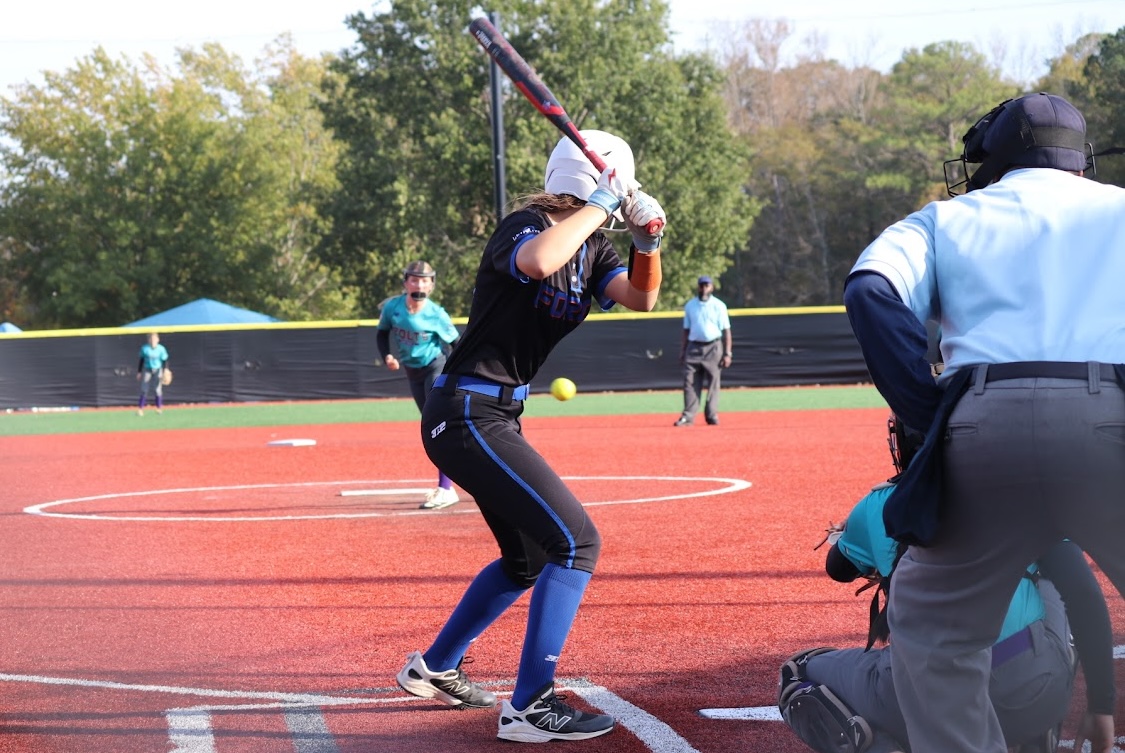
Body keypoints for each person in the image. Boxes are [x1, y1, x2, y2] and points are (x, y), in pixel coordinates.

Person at [841, 91, 1125, 753]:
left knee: (933, 633)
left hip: (981, 422)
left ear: (992, 160)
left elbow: (869, 288)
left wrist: (926, 408)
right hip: (1111, 417)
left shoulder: (947, 217)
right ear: (1078, 162)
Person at [394, 129, 666, 742]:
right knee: (577, 542)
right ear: (593, 181)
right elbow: (539, 262)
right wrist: (604, 201)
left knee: (528, 560)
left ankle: (435, 667)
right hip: (466, 410)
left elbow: (641, 298)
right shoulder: (523, 224)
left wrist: (648, 242)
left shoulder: (593, 248)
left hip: (494, 416)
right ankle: (530, 705)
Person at [778, 416, 1113, 753]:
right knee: (1057, 577)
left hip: (926, 699)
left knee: (797, 673)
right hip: (1030, 689)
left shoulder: (881, 505)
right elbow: (1084, 594)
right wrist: (1102, 705)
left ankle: (881, 747)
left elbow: (839, 568)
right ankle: (1039, 730)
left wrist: (859, 528)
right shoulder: (1029, 497)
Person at [376, 260, 462, 510]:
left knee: (437, 425)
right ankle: (451, 483)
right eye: (414, 279)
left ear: (432, 285)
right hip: (412, 373)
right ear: (405, 282)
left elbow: (457, 344)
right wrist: (387, 356)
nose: (419, 284)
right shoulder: (393, 307)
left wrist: (457, 376)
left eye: (425, 280)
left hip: (435, 368)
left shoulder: (436, 314)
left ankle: (445, 489)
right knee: (429, 426)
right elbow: (382, 333)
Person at [673, 275, 731, 426]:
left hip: (714, 347)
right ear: (698, 287)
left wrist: (727, 353)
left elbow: (726, 331)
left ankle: (711, 415)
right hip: (694, 347)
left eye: (707, 285)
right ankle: (688, 416)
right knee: (689, 381)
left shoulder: (719, 305)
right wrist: (683, 350)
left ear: (712, 287)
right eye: (702, 285)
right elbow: (686, 330)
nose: (704, 288)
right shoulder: (690, 305)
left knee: (713, 382)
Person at [136, 331, 168, 416]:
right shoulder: (145, 348)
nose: (153, 340)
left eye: (154, 339)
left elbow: (164, 360)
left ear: (158, 339)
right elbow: (141, 360)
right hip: (147, 370)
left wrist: (165, 370)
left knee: (157, 390)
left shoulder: (161, 349)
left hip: (158, 369)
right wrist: (139, 372)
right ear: (148, 340)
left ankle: (159, 408)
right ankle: (140, 409)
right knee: (144, 389)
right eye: (151, 339)